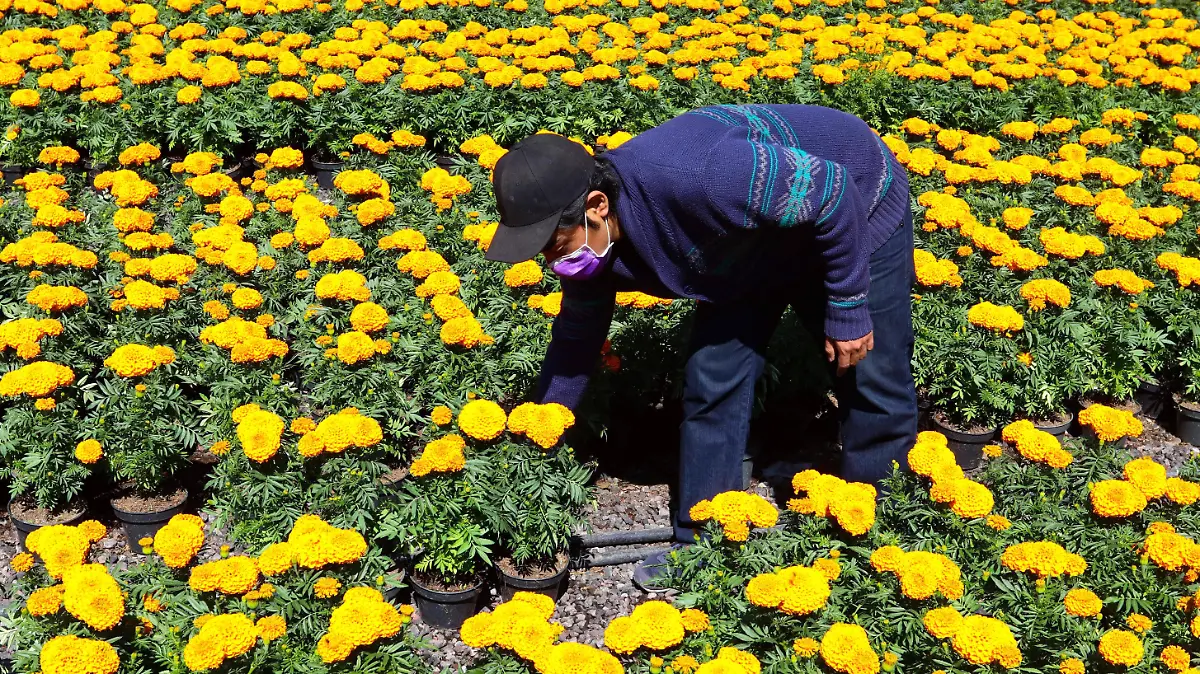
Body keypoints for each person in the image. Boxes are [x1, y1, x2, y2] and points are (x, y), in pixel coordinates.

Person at [485, 104, 917, 587]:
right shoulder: (591, 247)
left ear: (597, 206)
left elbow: (834, 191)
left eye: (555, 244)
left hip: (854, 203)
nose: (552, 262)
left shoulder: (702, 175)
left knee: (869, 374)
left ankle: (880, 535)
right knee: (713, 378)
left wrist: (849, 306)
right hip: (751, 247)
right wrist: (543, 426)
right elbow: (575, 340)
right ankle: (703, 546)